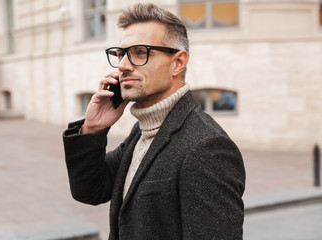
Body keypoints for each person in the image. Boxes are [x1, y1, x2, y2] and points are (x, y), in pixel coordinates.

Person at [63, 3, 245, 240]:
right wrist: (93, 128)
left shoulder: (206, 148)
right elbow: (90, 191)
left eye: (140, 52)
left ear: (178, 63)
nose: (123, 66)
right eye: (121, 54)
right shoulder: (142, 130)